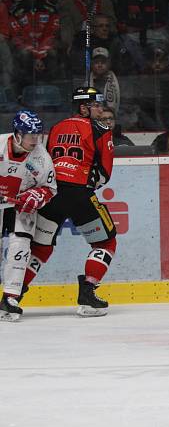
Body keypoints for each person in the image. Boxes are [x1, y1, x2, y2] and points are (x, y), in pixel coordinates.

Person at [27, 87, 116, 317]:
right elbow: (105, 172)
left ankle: (12, 295)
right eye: (95, 105)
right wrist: (88, 185)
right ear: (83, 107)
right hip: (79, 194)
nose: (100, 109)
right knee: (106, 243)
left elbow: (44, 162)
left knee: (40, 248)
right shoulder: (101, 128)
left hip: (52, 194)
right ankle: (87, 294)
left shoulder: (55, 128)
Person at [0, 111, 57, 321]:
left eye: (37, 134)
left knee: (20, 247)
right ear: (17, 134)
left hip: (21, 207)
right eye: (29, 134)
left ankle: (10, 298)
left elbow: (50, 188)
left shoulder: (42, 158)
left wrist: (37, 195)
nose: (35, 139)